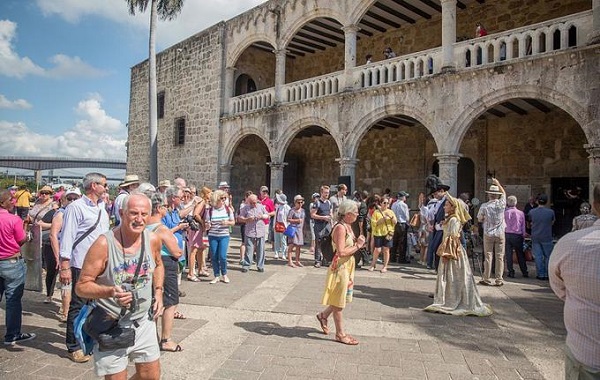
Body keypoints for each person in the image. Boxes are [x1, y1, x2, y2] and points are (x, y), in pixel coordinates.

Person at [76, 193, 165, 379]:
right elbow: (81, 286)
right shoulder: (103, 244)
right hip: (112, 324)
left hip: (143, 321)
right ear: (122, 213)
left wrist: (158, 291)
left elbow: (158, 265)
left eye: (144, 214)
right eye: (133, 213)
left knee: (151, 376)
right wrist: (109, 291)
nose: (139, 219)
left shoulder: (152, 239)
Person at [549, 184, 600, 379]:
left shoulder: (570, 243)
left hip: (587, 352)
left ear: (594, 206)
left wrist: (578, 296)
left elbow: (559, 287)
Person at [58, 173, 110, 363]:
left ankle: (89, 339)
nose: (107, 187)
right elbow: (68, 236)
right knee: (78, 305)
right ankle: (74, 346)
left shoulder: (102, 208)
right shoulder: (76, 207)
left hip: (100, 264)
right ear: (94, 186)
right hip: (81, 263)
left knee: (96, 305)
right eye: (104, 184)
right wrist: (65, 265)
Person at [424, 195, 493, 317]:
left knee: (454, 275)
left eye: (447, 205)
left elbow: (453, 238)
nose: (444, 206)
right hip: (450, 249)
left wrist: (446, 253)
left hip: (453, 252)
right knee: (451, 276)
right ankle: (449, 296)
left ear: (452, 207)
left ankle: (454, 299)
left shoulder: (454, 220)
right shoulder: (450, 219)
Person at [317, 200, 366, 345]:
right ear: (348, 214)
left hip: (347, 266)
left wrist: (357, 241)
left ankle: (323, 316)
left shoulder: (348, 226)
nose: (358, 214)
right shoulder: (340, 228)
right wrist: (358, 245)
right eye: (355, 212)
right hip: (340, 267)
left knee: (340, 297)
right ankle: (340, 334)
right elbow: (341, 251)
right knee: (339, 302)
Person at [146, 193, 183, 352]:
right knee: (170, 303)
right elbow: (176, 252)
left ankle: (150, 338)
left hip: (150, 265)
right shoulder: (161, 229)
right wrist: (179, 251)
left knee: (152, 301)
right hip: (165, 265)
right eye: (166, 206)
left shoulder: (144, 227)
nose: (167, 209)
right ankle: (166, 339)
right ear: (159, 208)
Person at [0, 190, 36, 345]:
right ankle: (12, 335)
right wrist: (27, 232)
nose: (14, 201)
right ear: (3, 202)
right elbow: (21, 240)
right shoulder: (13, 219)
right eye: (11, 199)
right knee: (13, 300)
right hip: (11, 262)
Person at [49, 188, 81, 322]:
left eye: (75, 198)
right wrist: (58, 256)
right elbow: (53, 235)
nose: (72, 201)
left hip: (80, 255)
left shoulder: (81, 212)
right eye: (70, 198)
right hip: (67, 255)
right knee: (66, 284)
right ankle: (66, 312)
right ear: (64, 200)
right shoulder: (61, 214)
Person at [477, 178, 507, 286]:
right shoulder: (501, 204)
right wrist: (498, 183)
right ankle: (499, 279)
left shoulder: (484, 206)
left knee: (488, 256)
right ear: (497, 195)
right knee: (500, 256)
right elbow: (504, 193)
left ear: (489, 195)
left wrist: (485, 218)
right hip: (500, 232)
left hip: (488, 233)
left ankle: (486, 278)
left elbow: (479, 218)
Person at [205, 190, 235, 283]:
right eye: (221, 198)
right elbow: (206, 223)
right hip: (213, 235)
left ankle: (224, 274)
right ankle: (216, 275)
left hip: (224, 235)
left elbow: (233, 222)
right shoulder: (210, 211)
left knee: (222, 256)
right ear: (216, 199)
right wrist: (208, 225)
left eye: (224, 198)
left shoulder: (227, 209)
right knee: (214, 256)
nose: (223, 200)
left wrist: (227, 223)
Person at [421, 176, 450, 270]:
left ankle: (441, 269)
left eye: (436, 192)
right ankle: (437, 268)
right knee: (436, 249)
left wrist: (445, 221)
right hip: (438, 229)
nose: (435, 195)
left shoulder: (448, 201)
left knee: (442, 249)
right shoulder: (437, 202)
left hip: (444, 230)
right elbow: (431, 214)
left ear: (442, 191)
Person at [527, 194, 555, 280]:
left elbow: (528, 224)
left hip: (535, 236)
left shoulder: (532, 212)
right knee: (548, 256)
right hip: (547, 236)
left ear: (537, 201)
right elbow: (552, 222)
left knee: (538, 256)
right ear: (546, 202)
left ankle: (540, 274)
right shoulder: (550, 212)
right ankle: (547, 274)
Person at [239, 194, 269, 274]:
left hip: (260, 230)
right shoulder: (245, 208)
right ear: (248, 202)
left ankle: (260, 266)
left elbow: (267, 215)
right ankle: (246, 265)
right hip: (250, 231)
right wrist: (246, 219)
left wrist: (262, 216)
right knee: (249, 249)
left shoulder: (261, 206)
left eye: (255, 202)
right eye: (251, 203)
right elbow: (240, 218)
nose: (253, 204)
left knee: (261, 249)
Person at [369, 196, 397, 273]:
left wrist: (391, 217)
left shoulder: (390, 212)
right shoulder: (376, 212)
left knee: (386, 250)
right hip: (378, 233)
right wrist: (383, 219)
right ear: (380, 203)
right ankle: (373, 265)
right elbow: (374, 223)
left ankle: (385, 266)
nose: (386, 204)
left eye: (387, 203)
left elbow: (395, 222)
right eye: (384, 203)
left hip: (388, 233)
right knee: (377, 250)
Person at [504, 195, 528, 279]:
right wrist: (524, 234)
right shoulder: (521, 213)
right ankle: (524, 271)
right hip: (517, 235)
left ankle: (511, 272)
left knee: (508, 254)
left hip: (507, 234)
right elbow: (523, 225)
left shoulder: (505, 213)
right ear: (516, 203)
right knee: (520, 254)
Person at [311, 185, 333, 268]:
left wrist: (331, 221)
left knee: (327, 243)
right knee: (319, 243)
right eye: (325, 193)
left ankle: (326, 259)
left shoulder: (329, 202)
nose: (327, 194)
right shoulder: (317, 203)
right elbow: (312, 214)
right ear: (321, 193)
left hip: (327, 225)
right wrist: (323, 217)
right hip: (319, 225)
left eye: (328, 193)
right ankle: (317, 261)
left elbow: (330, 212)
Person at [286, 195, 306, 268]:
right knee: (291, 245)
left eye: (301, 202)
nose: (300, 204)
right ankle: (290, 261)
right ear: (295, 202)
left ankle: (297, 261)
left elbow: (304, 221)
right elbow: (288, 219)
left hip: (300, 230)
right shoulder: (292, 210)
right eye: (298, 202)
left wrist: (304, 230)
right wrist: (296, 220)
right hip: (294, 229)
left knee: (299, 246)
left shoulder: (303, 210)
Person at [391, 191, 410, 263]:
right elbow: (406, 216)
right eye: (405, 196)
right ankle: (401, 259)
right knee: (402, 242)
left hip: (395, 223)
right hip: (402, 224)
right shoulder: (404, 205)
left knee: (394, 241)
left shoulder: (393, 204)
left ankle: (393, 257)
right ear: (402, 197)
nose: (405, 198)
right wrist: (408, 222)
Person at [273, 193, 290, 260]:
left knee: (283, 240)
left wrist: (287, 226)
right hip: (277, 224)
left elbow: (288, 217)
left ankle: (283, 254)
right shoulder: (278, 206)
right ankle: (276, 253)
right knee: (276, 240)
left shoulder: (287, 207)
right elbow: (275, 216)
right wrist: (274, 225)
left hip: (284, 225)